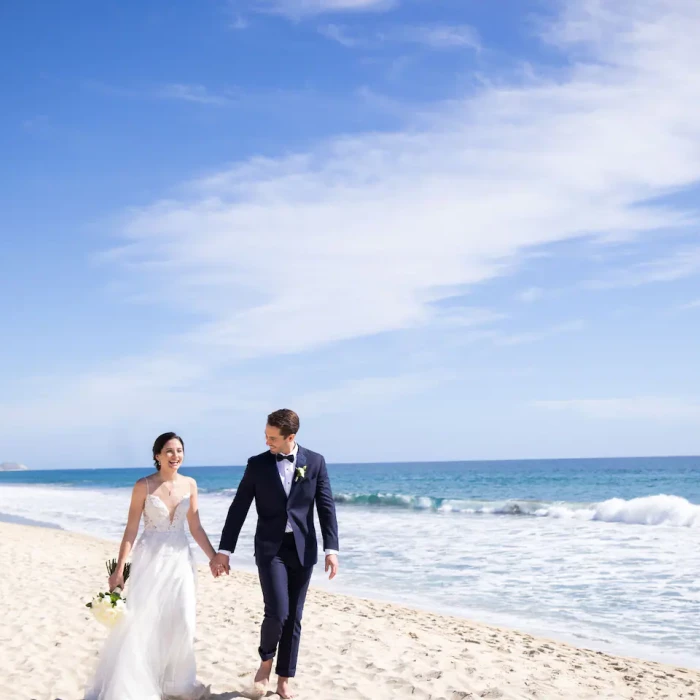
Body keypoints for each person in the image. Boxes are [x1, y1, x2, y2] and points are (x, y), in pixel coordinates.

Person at [210, 409, 339, 699]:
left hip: (303, 549)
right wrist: (224, 550)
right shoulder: (257, 465)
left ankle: (284, 679)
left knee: (294, 616)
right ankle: (265, 661)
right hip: (271, 548)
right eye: (266, 436)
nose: (267, 441)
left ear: (290, 437)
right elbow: (239, 507)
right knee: (278, 611)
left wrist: (332, 550)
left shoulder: (315, 462)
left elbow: (326, 507)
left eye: (273, 438)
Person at [85, 432, 215, 700]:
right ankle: (137, 683)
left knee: (182, 619)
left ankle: (177, 684)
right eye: (168, 451)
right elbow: (131, 530)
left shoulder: (190, 484)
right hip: (150, 560)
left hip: (180, 561)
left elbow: (195, 526)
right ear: (157, 456)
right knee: (145, 621)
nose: (175, 456)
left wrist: (213, 557)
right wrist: (119, 569)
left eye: (179, 450)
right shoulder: (143, 486)